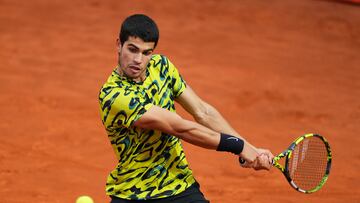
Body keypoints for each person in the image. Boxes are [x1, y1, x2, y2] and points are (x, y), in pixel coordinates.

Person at [99, 14, 274, 203]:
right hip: (134, 194)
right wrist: (239, 146)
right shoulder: (113, 95)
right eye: (132, 50)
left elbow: (202, 111)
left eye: (146, 52)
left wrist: (250, 148)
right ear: (119, 45)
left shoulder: (161, 67)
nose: (138, 60)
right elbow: (180, 128)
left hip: (178, 184)